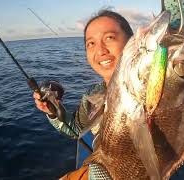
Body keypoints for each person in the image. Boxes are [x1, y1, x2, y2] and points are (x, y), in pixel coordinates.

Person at [33, 9, 134, 150]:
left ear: (132, 41)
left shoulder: (156, 82)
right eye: (91, 43)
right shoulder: (92, 96)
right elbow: (76, 129)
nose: (100, 51)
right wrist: (54, 111)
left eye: (109, 37)